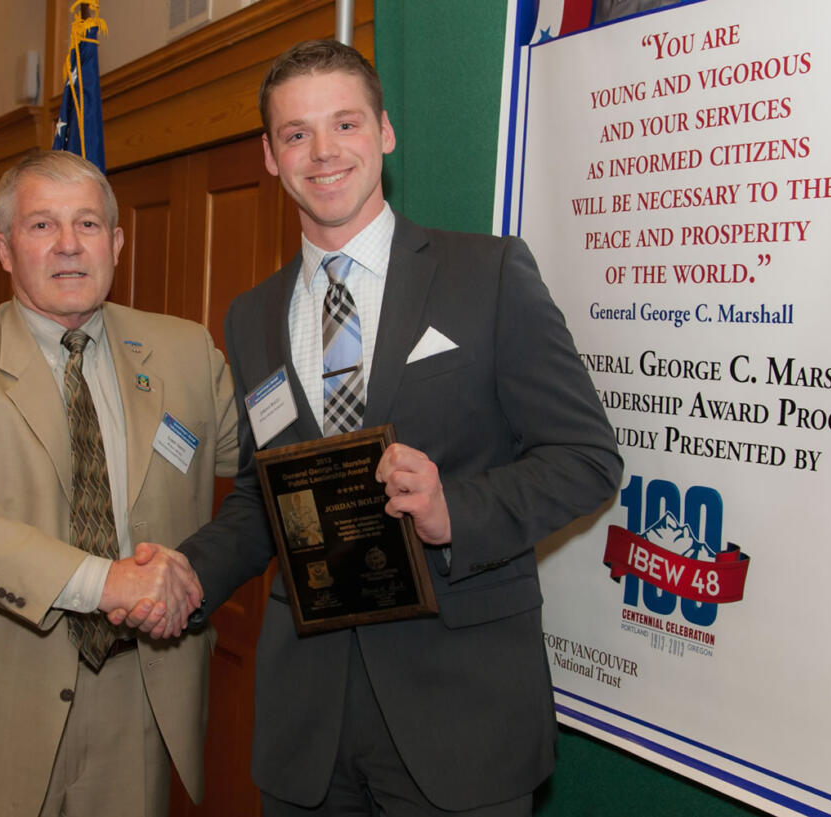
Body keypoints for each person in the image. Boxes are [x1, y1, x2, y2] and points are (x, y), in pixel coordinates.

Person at [119, 40, 623, 815]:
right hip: (307, 719)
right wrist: (190, 572)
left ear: (385, 132)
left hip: (459, 710)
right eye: (296, 133)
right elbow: (265, 495)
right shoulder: (252, 315)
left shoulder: (485, 275)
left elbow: (586, 457)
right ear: (269, 155)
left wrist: (456, 508)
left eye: (345, 123)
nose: (323, 152)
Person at [0, 150, 238, 817]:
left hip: (141, 696)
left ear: (117, 241)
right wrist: (106, 581)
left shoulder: (187, 351)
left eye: (89, 225)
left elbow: (260, 466)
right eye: (43, 225)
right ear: (4, 247)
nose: (71, 246)